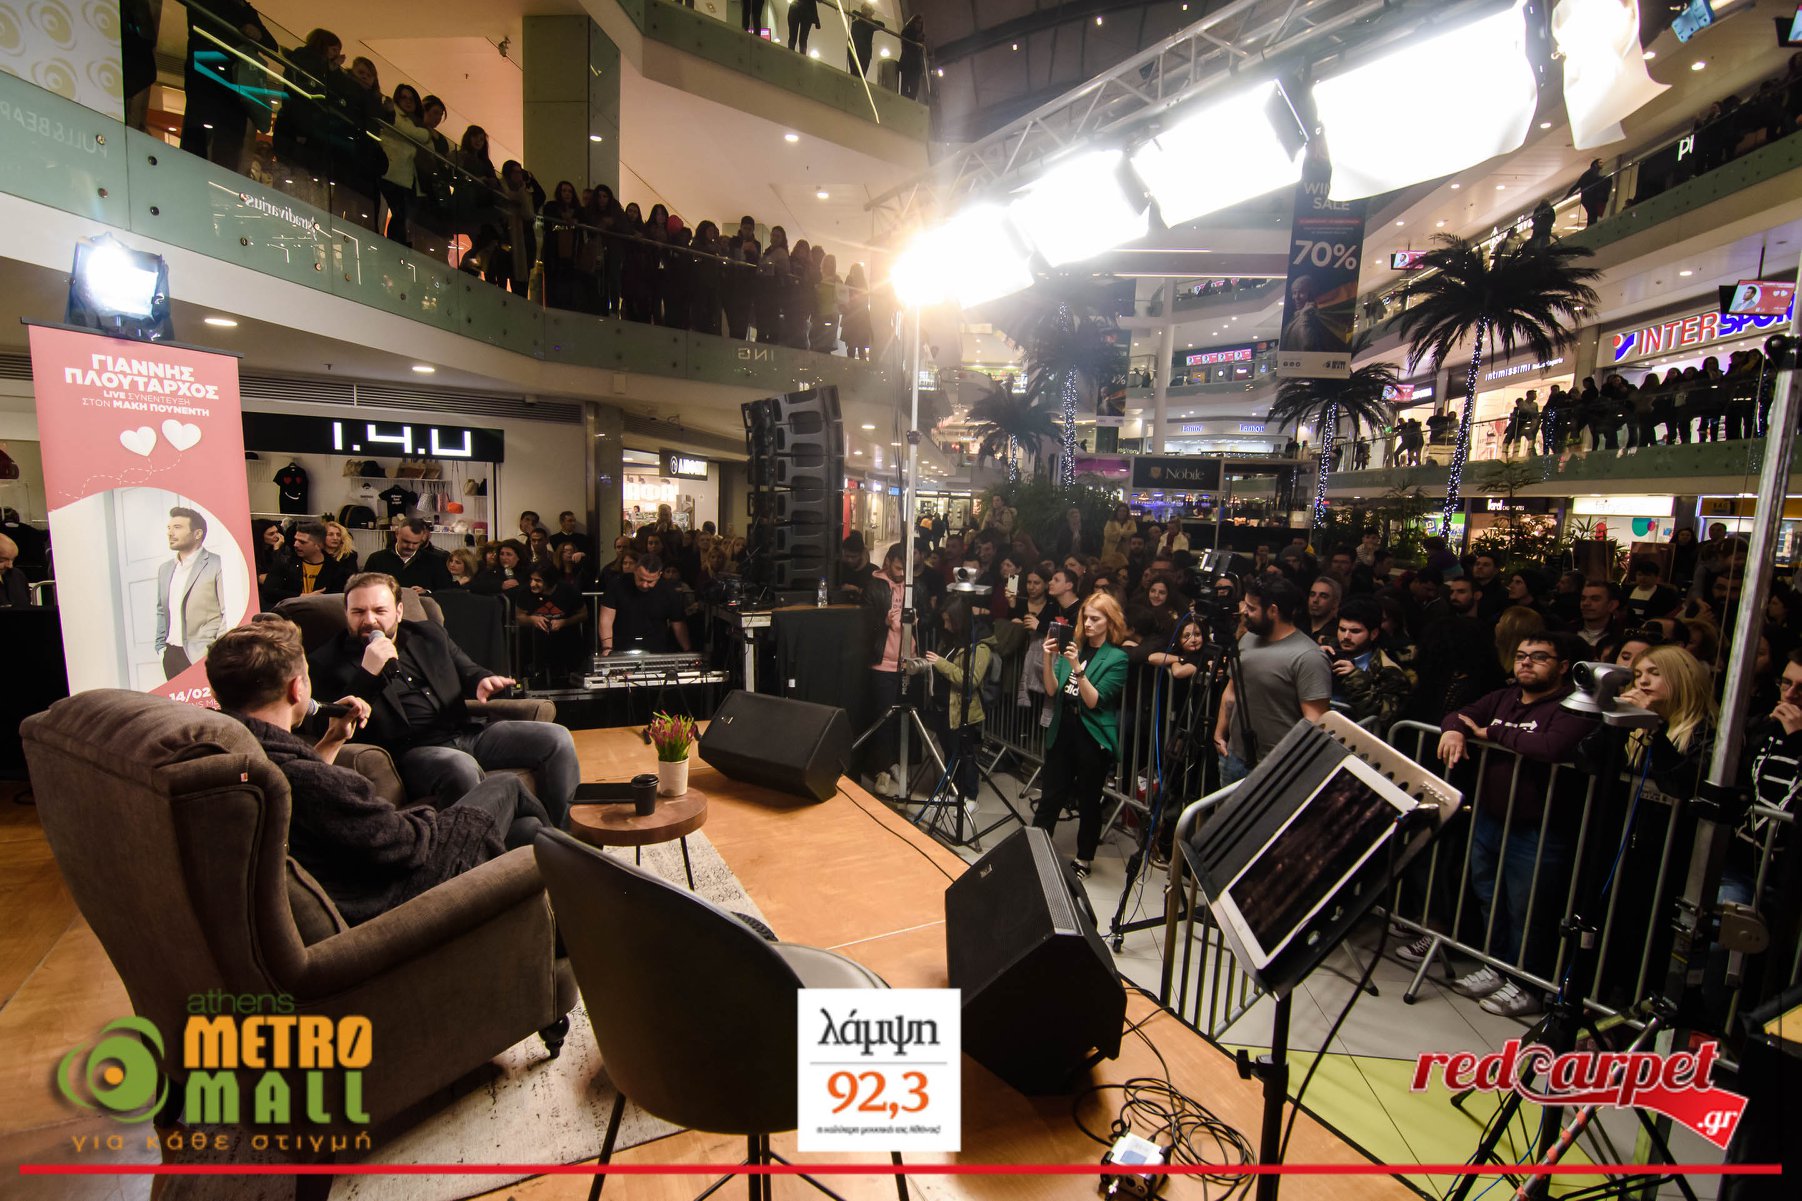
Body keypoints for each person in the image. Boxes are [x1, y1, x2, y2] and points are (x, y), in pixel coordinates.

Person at [208, 615, 548, 926]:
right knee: (506, 786)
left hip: (357, 878)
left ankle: (551, 925)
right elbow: (409, 845)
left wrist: (332, 741)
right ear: (297, 689)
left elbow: (299, 793)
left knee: (527, 831)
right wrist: (428, 816)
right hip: (395, 897)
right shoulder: (312, 780)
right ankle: (574, 879)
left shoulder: (231, 753)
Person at [306, 573, 578, 824]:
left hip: (466, 733)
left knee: (556, 738)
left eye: (380, 611)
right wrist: (368, 673)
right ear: (346, 613)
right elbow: (323, 728)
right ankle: (473, 847)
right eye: (358, 612)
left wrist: (482, 679)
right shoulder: (325, 661)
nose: (369, 620)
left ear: (398, 612)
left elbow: (466, 668)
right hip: (413, 752)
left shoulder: (428, 634)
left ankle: (563, 834)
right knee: (460, 766)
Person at [1435, 633, 1597, 1017]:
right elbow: (1459, 714)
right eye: (1521, 655)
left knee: (1528, 910)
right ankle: (1497, 966)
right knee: (1490, 898)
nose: (1525, 662)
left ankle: (1528, 984)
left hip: (1538, 827)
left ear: (1563, 666)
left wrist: (1493, 733)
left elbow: (1552, 746)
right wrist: (1454, 729)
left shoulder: (1573, 706)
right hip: (1492, 818)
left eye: (1539, 657)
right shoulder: (1504, 697)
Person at [1031, 592, 1130, 879]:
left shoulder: (1117, 658)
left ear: (1109, 621)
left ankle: (1084, 858)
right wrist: (1048, 657)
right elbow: (1052, 690)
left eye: (1095, 619)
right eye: (1086, 617)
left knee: (1089, 800)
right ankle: (1036, 850)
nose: (1087, 623)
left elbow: (1094, 701)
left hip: (1091, 734)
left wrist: (1077, 667)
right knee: (1051, 794)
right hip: (1063, 728)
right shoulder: (1073, 647)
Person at [1214, 576, 1332, 784]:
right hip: (1234, 758)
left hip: (1278, 767)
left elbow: (1315, 721)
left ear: (1273, 611)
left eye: (1251, 608)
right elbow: (1232, 692)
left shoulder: (1308, 656)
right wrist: (1219, 734)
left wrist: (1290, 766)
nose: (1244, 612)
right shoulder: (1247, 639)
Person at [923, 597, 992, 804]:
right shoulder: (950, 640)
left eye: (949, 621)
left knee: (965, 754)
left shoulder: (980, 646)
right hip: (943, 707)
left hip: (962, 709)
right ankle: (951, 791)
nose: (945, 626)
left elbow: (970, 680)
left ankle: (970, 797)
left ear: (959, 620)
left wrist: (940, 663)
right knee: (949, 752)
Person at [155, 506, 226, 681]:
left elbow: (227, 612)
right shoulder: (165, 569)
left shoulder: (217, 564)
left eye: (177, 527)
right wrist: (161, 647)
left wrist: (215, 651)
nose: (170, 533)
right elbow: (162, 610)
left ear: (197, 534)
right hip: (171, 655)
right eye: (169, 528)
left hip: (202, 654)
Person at [862, 543, 910, 793]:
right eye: (898, 568)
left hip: (908, 661)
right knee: (883, 717)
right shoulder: (874, 586)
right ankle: (881, 768)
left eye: (905, 569)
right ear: (888, 561)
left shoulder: (912, 585)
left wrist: (918, 620)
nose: (901, 574)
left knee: (904, 716)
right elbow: (864, 623)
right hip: (882, 661)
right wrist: (884, 621)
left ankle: (895, 762)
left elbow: (931, 615)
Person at [1329, 597, 1411, 730]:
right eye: (1342, 629)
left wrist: (1355, 678)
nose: (1346, 637)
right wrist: (1314, 657)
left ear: (1373, 634)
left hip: (1355, 735)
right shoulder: (1328, 649)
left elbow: (1385, 717)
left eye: (1355, 631)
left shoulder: (1389, 671)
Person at [598, 554, 691, 656]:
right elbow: (606, 620)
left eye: (650, 581)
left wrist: (688, 650)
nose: (644, 585)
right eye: (641, 579)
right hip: (622, 645)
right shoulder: (617, 584)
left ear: (659, 575)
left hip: (657, 648)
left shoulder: (668, 591)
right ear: (635, 570)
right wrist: (607, 648)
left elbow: (678, 623)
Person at [515, 565, 588, 685]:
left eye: (538, 580)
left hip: (568, 640)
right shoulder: (525, 592)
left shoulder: (568, 591)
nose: (532, 584)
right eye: (531, 579)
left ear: (549, 581)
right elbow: (519, 617)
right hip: (536, 643)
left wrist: (564, 622)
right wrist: (532, 619)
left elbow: (583, 614)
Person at [264, 520, 354, 602]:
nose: (296, 544)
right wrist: (301, 596)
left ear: (318, 545)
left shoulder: (336, 570)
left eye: (302, 542)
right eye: (296, 540)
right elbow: (269, 592)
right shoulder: (286, 563)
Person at [363, 518, 454, 592]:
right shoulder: (376, 559)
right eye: (406, 542)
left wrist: (427, 592)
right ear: (397, 534)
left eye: (415, 543)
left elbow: (445, 592)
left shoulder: (435, 562)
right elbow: (363, 588)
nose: (410, 547)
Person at [1624, 555, 1681, 622]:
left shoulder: (1665, 594)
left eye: (1647, 575)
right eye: (1639, 575)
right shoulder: (1627, 590)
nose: (1643, 578)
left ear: (1656, 577)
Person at [1303, 575, 1341, 645]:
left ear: (1335, 603)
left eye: (1323, 596)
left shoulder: (1339, 633)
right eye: (1312, 594)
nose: (1315, 600)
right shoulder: (1298, 627)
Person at [0, 531, 31, 607]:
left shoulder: (17, 575)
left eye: (13, 560)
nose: (10, 566)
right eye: (2, 560)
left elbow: (27, 608)